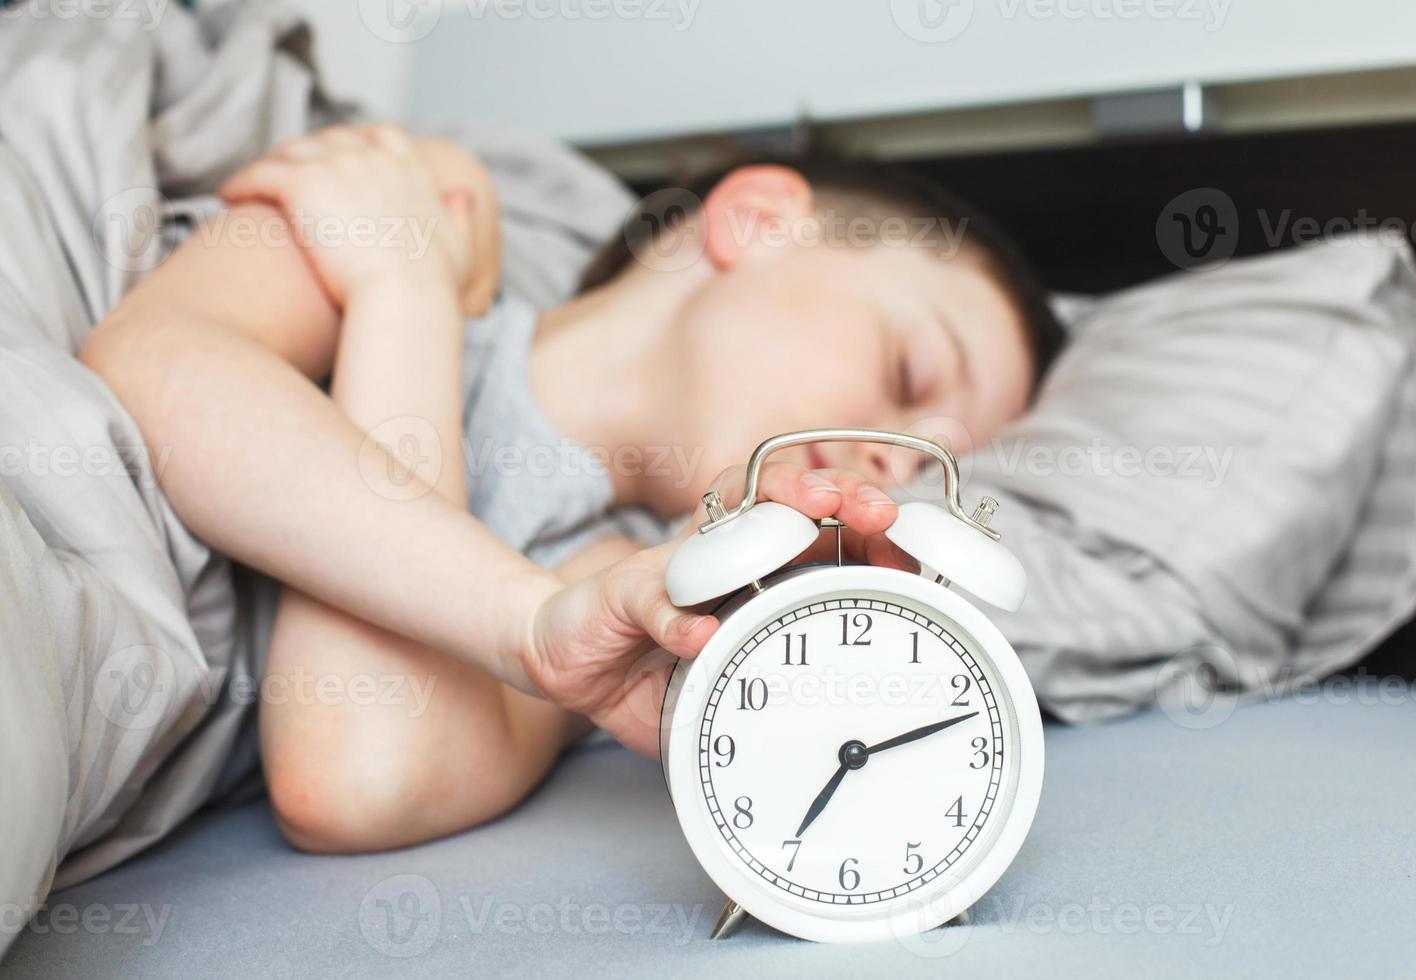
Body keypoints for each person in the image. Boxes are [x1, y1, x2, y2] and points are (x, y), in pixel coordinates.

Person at [79, 124, 1064, 854]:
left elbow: (350, 778)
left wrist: (401, 304)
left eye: (939, 458)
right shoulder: (433, 217)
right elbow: (151, 363)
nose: (897, 459)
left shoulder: (615, 588)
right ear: (757, 220)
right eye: (909, 374)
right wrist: (412, 280)